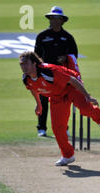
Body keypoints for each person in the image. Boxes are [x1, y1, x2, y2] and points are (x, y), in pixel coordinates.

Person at [19, 51, 100, 166]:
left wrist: (87, 96)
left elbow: (72, 80)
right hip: (56, 96)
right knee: (57, 128)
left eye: (26, 63)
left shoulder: (48, 72)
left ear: (34, 63)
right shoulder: (26, 79)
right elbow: (33, 89)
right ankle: (68, 156)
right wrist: (39, 104)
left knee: (85, 108)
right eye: (21, 64)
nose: (23, 67)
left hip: (71, 86)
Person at [34, 6, 78, 137]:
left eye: (57, 18)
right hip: (45, 74)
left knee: (62, 102)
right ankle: (41, 128)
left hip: (62, 75)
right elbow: (36, 56)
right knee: (43, 100)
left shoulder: (67, 37)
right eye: (52, 18)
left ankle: (64, 127)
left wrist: (66, 58)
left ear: (62, 21)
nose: (54, 21)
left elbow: (74, 56)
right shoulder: (42, 36)